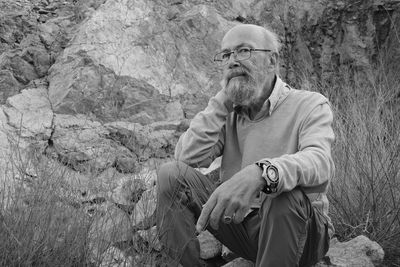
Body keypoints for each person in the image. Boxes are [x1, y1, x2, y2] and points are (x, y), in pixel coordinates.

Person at [156, 23, 335, 267]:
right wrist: (221, 102)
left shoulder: (310, 104)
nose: (232, 61)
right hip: (243, 227)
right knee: (171, 175)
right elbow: (186, 158)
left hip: (302, 233)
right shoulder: (229, 113)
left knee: (282, 194)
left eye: (244, 51)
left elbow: (320, 163)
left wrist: (262, 173)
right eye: (226, 55)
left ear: (272, 61)